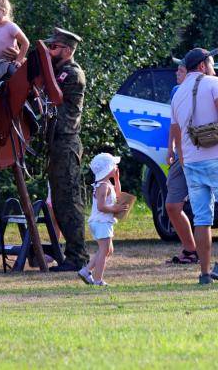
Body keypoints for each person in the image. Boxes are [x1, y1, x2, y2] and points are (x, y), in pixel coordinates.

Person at [169, 47, 218, 285]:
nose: (214, 67)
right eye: (212, 63)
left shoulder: (177, 94)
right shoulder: (214, 83)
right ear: (203, 66)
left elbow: (177, 133)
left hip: (191, 162)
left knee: (202, 218)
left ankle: (205, 274)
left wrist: (184, 162)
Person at [45, 27, 89, 272]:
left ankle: (78, 257)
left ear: (68, 51)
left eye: (54, 47)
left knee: (69, 200)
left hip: (66, 141)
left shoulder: (72, 74)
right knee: (60, 202)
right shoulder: (56, 71)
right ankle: (71, 254)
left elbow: (54, 95)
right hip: (56, 142)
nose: (50, 51)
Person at [78, 153, 131, 286]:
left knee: (108, 250)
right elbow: (101, 207)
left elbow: (118, 195)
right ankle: (98, 280)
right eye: (114, 165)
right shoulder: (103, 186)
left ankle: (86, 271)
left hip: (103, 222)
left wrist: (116, 179)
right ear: (107, 168)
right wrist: (115, 209)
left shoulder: (107, 184)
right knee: (104, 250)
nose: (116, 167)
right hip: (101, 222)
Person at [165, 58, 197, 266]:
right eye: (177, 69)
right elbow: (174, 123)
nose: (177, 73)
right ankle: (191, 250)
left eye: (181, 70)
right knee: (172, 205)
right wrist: (171, 148)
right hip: (182, 154)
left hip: (201, 155)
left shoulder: (207, 89)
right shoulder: (176, 91)